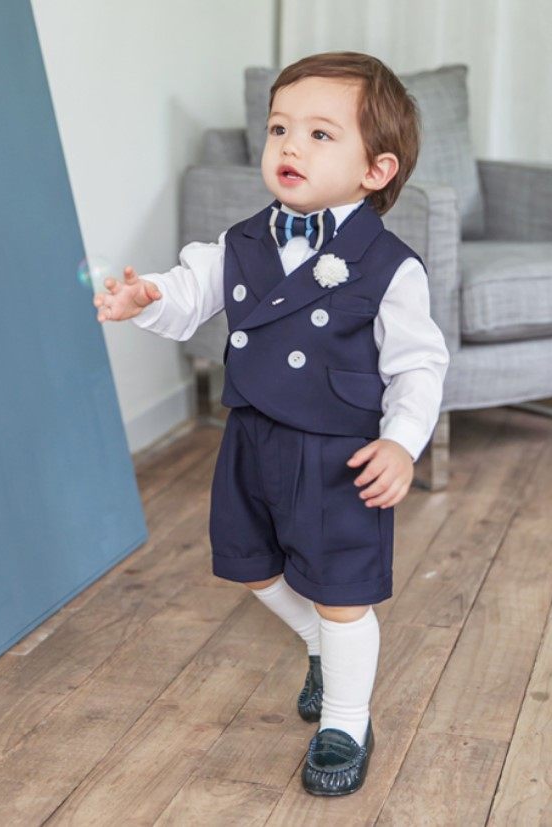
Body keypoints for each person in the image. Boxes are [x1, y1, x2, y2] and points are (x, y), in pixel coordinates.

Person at [94, 51, 450, 797]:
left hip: (338, 453)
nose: (290, 146)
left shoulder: (390, 266)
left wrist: (400, 441)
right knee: (250, 563)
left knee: (341, 590)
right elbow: (189, 292)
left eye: (320, 134)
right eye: (280, 128)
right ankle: (318, 644)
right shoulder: (242, 241)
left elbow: (418, 366)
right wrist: (148, 296)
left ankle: (345, 721)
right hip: (251, 435)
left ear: (375, 170)